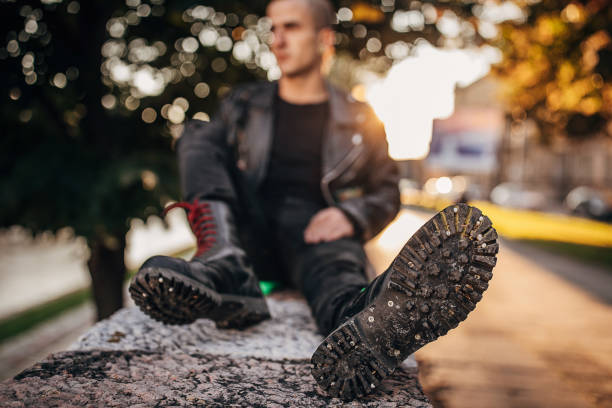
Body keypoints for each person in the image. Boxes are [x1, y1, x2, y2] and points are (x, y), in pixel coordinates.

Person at [129, 0, 499, 400]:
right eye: (273, 29)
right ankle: (223, 267)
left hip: (317, 233)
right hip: (246, 235)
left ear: (324, 39)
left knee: (338, 277)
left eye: (291, 27)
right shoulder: (244, 104)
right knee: (198, 134)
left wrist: (350, 214)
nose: (277, 40)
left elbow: (386, 190)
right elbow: (209, 163)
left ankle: (372, 323)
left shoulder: (361, 117)